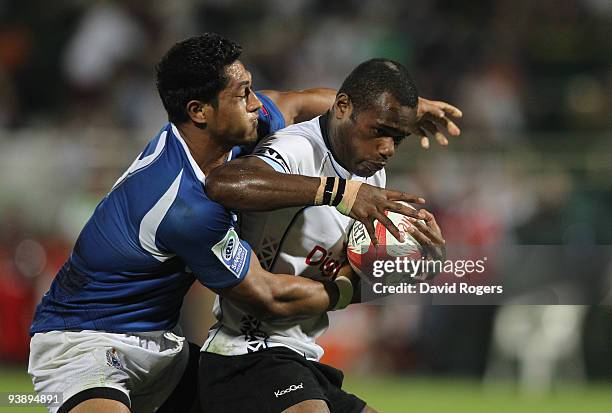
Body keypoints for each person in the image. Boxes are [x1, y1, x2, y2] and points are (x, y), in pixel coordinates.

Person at [27, 34, 458, 413]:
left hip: (165, 348)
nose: (258, 103)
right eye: (244, 94)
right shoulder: (186, 203)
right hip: (84, 341)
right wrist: (361, 283)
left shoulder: (230, 132)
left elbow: (301, 101)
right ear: (200, 111)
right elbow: (266, 297)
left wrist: (400, 108)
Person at [199, 58, 447, 413]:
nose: (388, 149)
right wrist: (339, 192)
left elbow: (346, 280)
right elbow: (227, 183)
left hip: (302, 356)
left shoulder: (370, 173)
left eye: (398, 138)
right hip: (247, 351)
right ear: (343, 107)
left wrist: (413, 268)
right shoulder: (299, 149)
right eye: (380, 131)